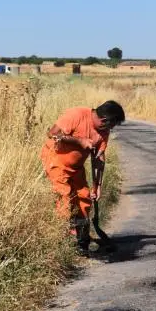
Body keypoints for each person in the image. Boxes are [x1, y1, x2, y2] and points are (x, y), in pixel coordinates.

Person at [40, 100, 125, 252]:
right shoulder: (77, 114)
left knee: (84, 197)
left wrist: (97, 186)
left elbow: (98, 159)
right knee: (64, 198)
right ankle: (62, 242)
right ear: (104, 120)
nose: (110, 129)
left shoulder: (104, 131)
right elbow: (52, 133)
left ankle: (81, 240)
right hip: (56, 160)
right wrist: (79, 141)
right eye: (111, 125)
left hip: (76, 167)